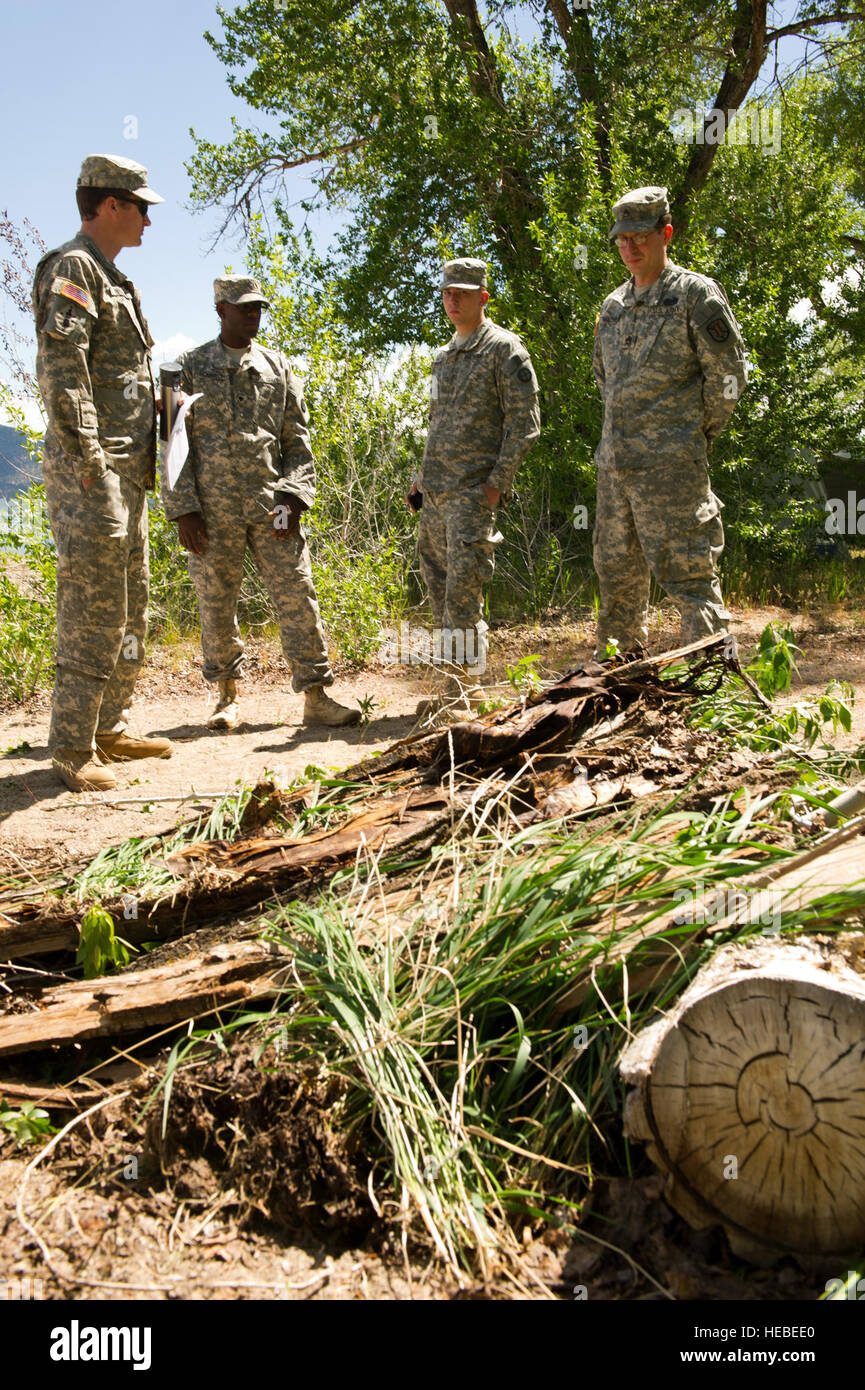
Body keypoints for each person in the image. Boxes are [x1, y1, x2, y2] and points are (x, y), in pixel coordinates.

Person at [160, 276, 359, 729]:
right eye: (244, 308)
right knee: (216, 604)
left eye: (258, 308)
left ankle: (316, 696)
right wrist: (184, 509)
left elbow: (297, 442)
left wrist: (293, 495)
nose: (254, 315)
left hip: (273, 509)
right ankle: (226, 698)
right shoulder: (182, 370)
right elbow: (172, 444)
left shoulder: (278, 367)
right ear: (220, 310)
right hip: (210, 513)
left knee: (297, 596)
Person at [32, 154, 172, 792]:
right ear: (110, 204)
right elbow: (65, 374)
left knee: (130, 606)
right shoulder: (74, 268)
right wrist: (90, 463)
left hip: (128, 471)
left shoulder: (118, 280)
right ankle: (70, 749)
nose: (148, 217)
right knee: (93, 607)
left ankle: (107, 727)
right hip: (94, 471)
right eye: (141, 205)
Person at [591, 185, 747, 657]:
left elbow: (730, 376)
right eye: (622, 238)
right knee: (616, 584)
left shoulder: (694, 295)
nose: (629, 246)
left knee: (691, 580)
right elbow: (605, 378)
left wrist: (693, 435)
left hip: (672, 468)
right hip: (616, 469)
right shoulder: (613, 306)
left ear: (666, 234)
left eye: (640, 235)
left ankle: (714, 692)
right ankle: (617, 683)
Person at [407, 258, 540, 710]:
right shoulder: (444, 358)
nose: (453, 300)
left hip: (471, 495)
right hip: (437, 496)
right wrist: (419, 479)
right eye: (447, 293)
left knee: (464, 592)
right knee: (441, 590)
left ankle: (467, 690)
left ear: (483, 297)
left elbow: (525, 424)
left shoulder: (504, 350)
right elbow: (437, 424)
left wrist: (495, 486)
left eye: (462, 293)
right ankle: (454, 686)